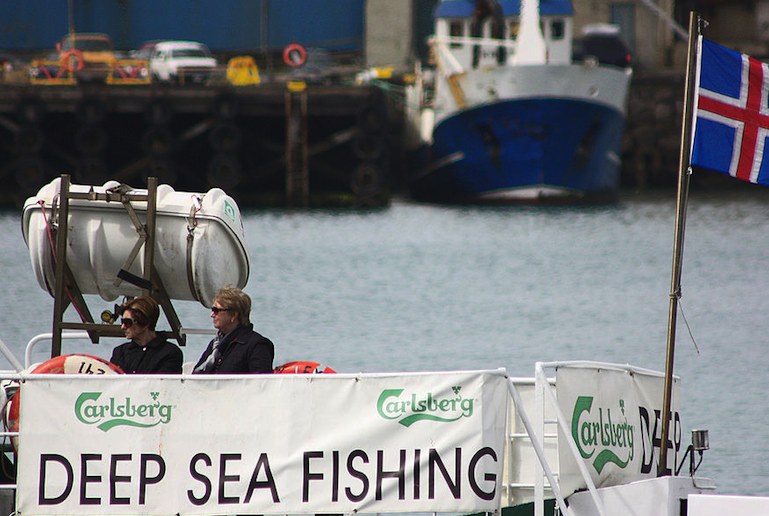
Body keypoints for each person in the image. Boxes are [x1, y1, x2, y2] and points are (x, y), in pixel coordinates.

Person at [193, 287, 274, 374]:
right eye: (212, 310)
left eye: (216, 310)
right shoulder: (215, 344)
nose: (212, 315)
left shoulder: (257, 345)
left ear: (234, 315)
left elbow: (261, 384)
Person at [110, 296, 183, 374]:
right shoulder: (119, 352)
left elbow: (162, 384)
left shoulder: (170, 353)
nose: (122, 327)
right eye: (122, 322)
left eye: (127, 322)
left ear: (145, 323)